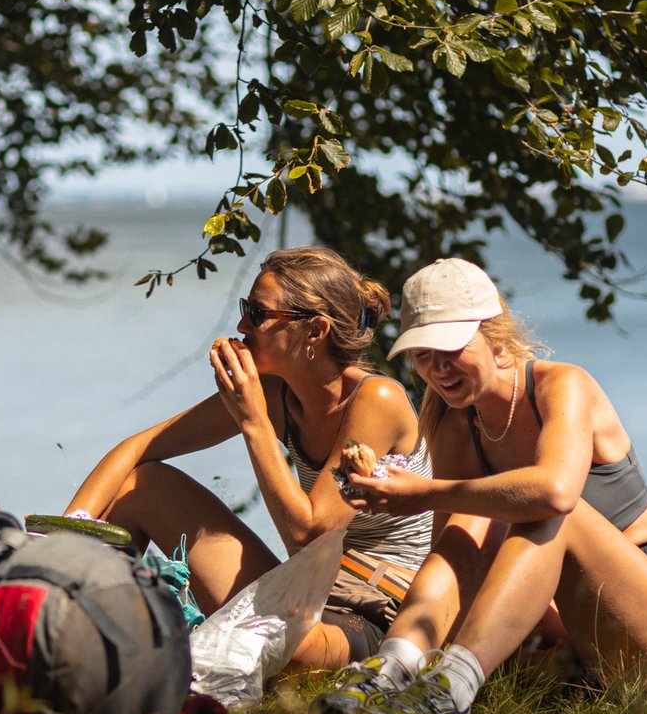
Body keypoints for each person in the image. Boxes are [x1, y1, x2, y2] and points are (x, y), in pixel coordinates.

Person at [322, 257, 647, 714]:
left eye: (450, 347)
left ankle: (446, 696)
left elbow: (554, 493)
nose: (437, 367)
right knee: (464, 533)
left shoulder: (561, 386)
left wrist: (420, 493)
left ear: (496, 337)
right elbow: (453, 560)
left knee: (550, 509)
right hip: (565, 647)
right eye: (422, 354)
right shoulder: (454, 424)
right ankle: (391, 672)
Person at [64, 245, 433, 671]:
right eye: (245, 308)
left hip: (373, 610)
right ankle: (62, 619)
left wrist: (253, 418)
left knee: (281, 649)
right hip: (306, 588)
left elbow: (308, 534)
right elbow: (138, 449)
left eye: (258, 313)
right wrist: (63, 539)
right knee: (144, 486)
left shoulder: (375, 398)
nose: (241, 325)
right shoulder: (276, 393)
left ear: (315, 330)